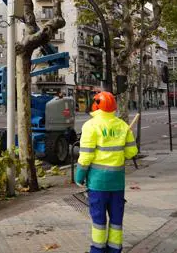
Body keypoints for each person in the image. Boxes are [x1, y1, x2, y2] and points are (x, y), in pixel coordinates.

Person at [75, 91, 138, 253]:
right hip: (117, 183)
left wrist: (79, 176)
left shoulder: (90, 126)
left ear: (95, 105)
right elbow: (132, 152)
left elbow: (86, 156)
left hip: (97, 183)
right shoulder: (123, 126)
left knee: (99, 220)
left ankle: (97, 250)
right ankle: (114, 249)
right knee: (116, 219)